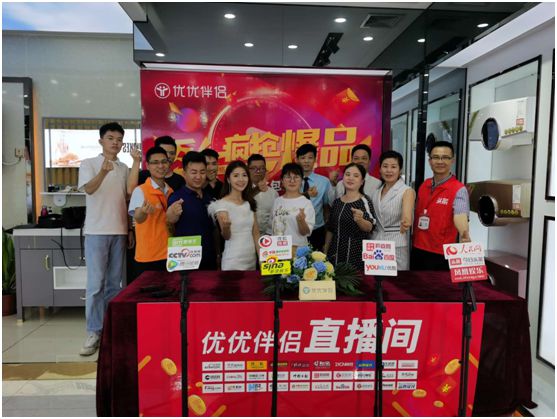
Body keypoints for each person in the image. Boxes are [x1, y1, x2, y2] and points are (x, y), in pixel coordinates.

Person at [77, 122, 140, 356]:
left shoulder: (123, 167)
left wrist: (130, 229)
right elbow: (89, 189)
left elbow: (128, 196)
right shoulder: (89, 163)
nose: (115, 142)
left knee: (115, 284)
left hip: (120, 230)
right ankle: (93, 331)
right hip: (96, 231)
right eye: (111, 138)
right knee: (95, 285)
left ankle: (109, 328)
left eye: (119, 139)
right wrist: (103, 172)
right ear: (101, 141)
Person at [411, 141, 471, 271]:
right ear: (430, 161)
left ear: (452, 160)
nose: (440, 161)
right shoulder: (424, 185)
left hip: (441, 253)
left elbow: (460, 215)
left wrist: (464, 233)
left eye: (445, 157)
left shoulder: (458, 189)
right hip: (417, 248)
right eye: (436, 157)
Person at [166, 151, 217, 270]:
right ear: (184, 173)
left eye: (202, 172)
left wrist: (218, 254)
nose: (198, 177)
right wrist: (171, 215)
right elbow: (170, 221)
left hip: (209, 260)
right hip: (185, 261)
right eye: (194, 172)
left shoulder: (210, 198)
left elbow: (214, 230)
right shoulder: (176, 198)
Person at [323, 163, 376, 272]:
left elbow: (370, 227)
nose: (350, 178)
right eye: (347, 174)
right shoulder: (337, 202)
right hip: (335, 253)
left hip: (355, 255)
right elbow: (331, 228)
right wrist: (325, 250)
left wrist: (360, 220)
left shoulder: (364, 201)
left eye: (356, 176)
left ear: (362, 181)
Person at [128, 146, 173, 273]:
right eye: (155, 162)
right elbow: (138, 218)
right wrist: (143, 211)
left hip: (170, 254)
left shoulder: (171, 191)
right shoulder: (140, 190)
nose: (161, 166)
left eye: (164, 162)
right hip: (149, 257)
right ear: (147, 165)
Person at [208, 161, 260, 271]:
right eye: (236, 176)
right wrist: (226, 227)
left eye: (244, 175)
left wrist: (261, 257)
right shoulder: (222, 204)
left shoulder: (249, 202)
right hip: (233, 261)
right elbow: (226, 236)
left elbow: (256, 233)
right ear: (228, 179)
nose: (241, 179)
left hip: (251, 260)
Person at [371, 150, 415, 270]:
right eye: (385, 166)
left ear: (400, 170)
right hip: (376, 243)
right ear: (380, 169)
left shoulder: (406, 191)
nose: (389, 170)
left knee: (397, 279)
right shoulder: (376, 192)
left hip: (396, 244)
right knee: (377, 279)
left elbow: (407, 215)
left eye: (393, 167)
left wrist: (406, 221)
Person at [295, 143, 332, 251]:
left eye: (310, 158)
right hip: (295, 229)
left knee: (316, 260)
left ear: (315, 159)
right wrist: (307, 194)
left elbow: (326, 207)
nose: (306, 161)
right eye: (303, 158)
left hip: (317, 230)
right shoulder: (291, 180)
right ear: (297, 160)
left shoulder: (324, 181)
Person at [271, 163, 315, 252]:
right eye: (288, 177)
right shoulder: (277, 201)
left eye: (296, 177)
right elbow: (272, 228)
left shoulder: (306, 203)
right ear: (282, 180)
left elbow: (306, 233)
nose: (292, 181)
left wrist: (301, 221)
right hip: (278, 251)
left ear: (302, 180)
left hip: (298, 252)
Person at [248, 154, 278, 236]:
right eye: (254, 168)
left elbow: (276, 218)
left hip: (268, 237)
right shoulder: (241, 191)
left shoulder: (273, 193)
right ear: (247, 170)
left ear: (265, 170)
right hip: (247, 237)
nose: (258, 171)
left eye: (261, 168)